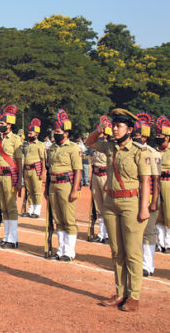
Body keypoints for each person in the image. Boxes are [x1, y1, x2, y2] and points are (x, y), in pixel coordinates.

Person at [86, 109, 151, 312]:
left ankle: (134, 296)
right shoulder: (109, 147)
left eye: (119, 125)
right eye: (113, 125)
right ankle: (120, 292)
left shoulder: (140, 151)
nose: (114, 129)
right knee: (117, 251)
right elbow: (89, 142)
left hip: (131, 203)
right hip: (111, 203)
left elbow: (146, 181)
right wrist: (99, 129)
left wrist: (144, 208)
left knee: (132, 252)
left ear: (130, 130)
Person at [46, 109, 82, 261]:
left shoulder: (73, 148)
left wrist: (75, 190)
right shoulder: (52, 148)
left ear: (66, 133)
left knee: (69, 219)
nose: (56, 134)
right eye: (55, 131)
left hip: (66, 184)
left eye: (59, 131)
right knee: (58, 219)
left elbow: (78, 170)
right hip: (53, 184)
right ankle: (60, 250)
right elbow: (49, 169)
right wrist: (47, 188)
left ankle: (69, 251)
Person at [132, 113, 160, 277]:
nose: (135, 138)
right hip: (133, 197)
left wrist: (154, 201)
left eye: (137, 136)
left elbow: (155, 180)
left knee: (148, 232)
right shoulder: (130, 151)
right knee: (134, 231)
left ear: (144, 136)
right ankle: (136, 263)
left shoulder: (152, 153)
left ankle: (148, 265)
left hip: (148, 196)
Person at [0, 105, 22, 248]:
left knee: (11, 207)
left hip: (10, 176)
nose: (0, 125)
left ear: (9, 125)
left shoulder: (15, 139)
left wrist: (19, 181)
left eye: (2, 124)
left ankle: (13, 239)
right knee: (3, 207)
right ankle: (6, 237)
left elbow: (18, 161)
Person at [90, 118, 112, 243]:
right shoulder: (98, 145)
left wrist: (109, 181)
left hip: (106, 176)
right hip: (96, 174)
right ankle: (101, 233)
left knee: (107, 206)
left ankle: (109, 234)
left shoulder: (110, 146)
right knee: (98, 206)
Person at [22, 118, 45, 218]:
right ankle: (30, 210)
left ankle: (37, 210)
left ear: (36, 134)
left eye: (30, 133)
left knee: (37, 191)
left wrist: (43, 172)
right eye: (28, 133)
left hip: (36, 170)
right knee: (29, 191)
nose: (28, 135)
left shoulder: (40, 145)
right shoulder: (26, 145)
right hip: (27, 170)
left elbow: (43, 159)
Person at [154, 115, 170, 253]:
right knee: (158, 214)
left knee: (169, 213)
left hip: (169, 183)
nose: (159, 137)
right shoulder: (155, 151)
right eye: (157, 134)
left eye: (161, 135)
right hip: (157, 183)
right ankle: (161, 242)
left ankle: (168, 242)